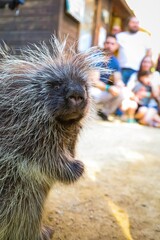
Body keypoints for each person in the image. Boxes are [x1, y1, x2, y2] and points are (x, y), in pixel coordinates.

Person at [90, 34, 124, 121]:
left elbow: (118, 79)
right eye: (107, 43)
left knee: (121, 93)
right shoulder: (97, 57)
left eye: (112, 44)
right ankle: (89, 112)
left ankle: (104, 113)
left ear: (116, 46)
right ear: (104, 44)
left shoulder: (115, 61)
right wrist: (109, 88)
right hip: (91, 89)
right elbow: (94, 82)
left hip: (102, 90)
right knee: (92, 93)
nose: (109, 45)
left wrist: (119, 85)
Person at [116, 17, 152, 85]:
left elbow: (149, 51)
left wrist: (147, 65)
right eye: (133, 22)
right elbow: (113, 47)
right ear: (128, 24)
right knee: (121, 91)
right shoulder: (120, 36)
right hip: (123, 68)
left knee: (136, 92)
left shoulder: (144, 36)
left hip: (138, 70)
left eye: (137, 23)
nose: (135, 25)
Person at [126, 56, 160, 127]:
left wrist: (146, 93)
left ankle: (152, 120)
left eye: (149, 62)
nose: (146, 64)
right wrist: (135, 97)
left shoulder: (155, 75)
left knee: (146, 120)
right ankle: (152, 120)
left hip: (151, 105)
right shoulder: (135, 75)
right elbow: (128, 89)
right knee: (143, 111)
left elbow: (156, 94)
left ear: (152, 65)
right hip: (139, 104)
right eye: (144, 62)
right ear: (141, 63)